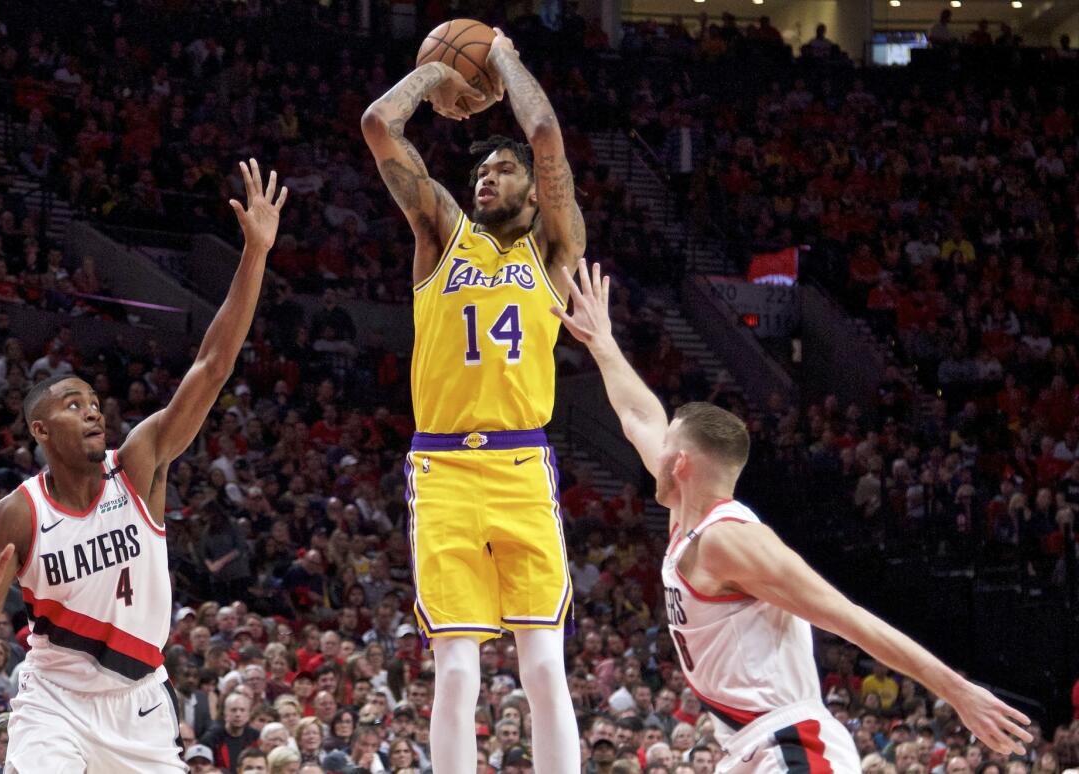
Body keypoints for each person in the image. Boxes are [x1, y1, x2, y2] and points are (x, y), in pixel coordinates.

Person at [554, 260, 1034, 773]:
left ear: (683, 463)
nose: (654, 445)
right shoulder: (685, 512)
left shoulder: (732, 541)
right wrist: (602, 341)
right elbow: (638, 416)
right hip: (747, 748)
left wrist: (957, 691)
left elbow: (849, 618)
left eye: (666, 442)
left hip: (793, 743)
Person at [0, 160, 289, 774]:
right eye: (71, 403)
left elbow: (212, 365)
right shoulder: (19, 513)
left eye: (93, 401)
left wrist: (255, 255)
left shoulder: (139, 465)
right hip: (54, 702)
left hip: (140, 705)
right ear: (41, 430)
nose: (91, 410)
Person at [361, 27, 585, 774]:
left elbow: (546, 134)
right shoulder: (442, 233)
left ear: (530, 187)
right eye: (480, 169)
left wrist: (503, 60)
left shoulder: (552, 252)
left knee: (544, 669)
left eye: (500, 170)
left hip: (524, 468)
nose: (485, 177)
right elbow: (377, 127)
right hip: (446, 470)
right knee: (457, 670)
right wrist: (431, 75)